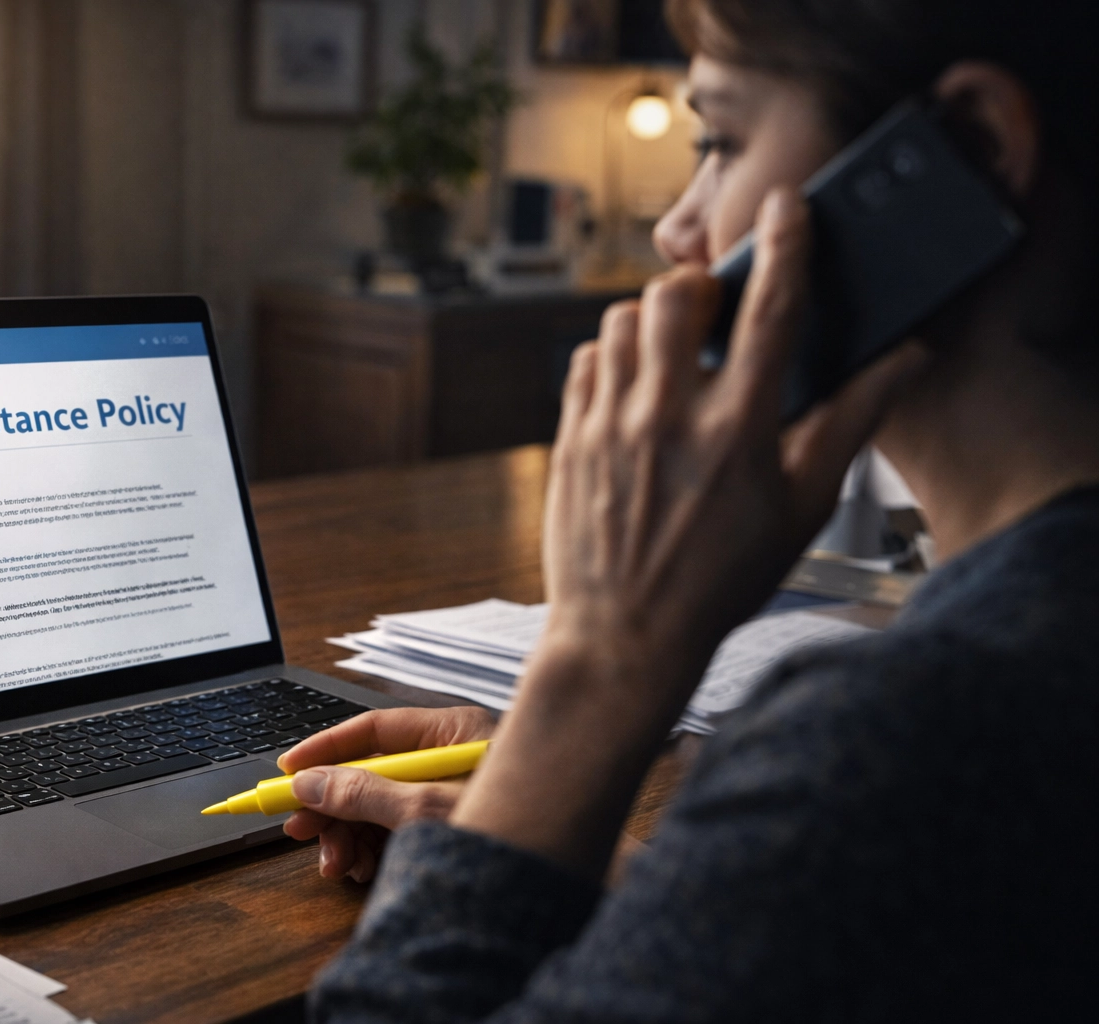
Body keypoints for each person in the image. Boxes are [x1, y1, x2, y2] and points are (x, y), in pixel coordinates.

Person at [277, 0, 1099, 1018]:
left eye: (722, 139)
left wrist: (596, 665)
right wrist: (558, 816)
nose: (677, 227)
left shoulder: (910, 740)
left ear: (970, 147)